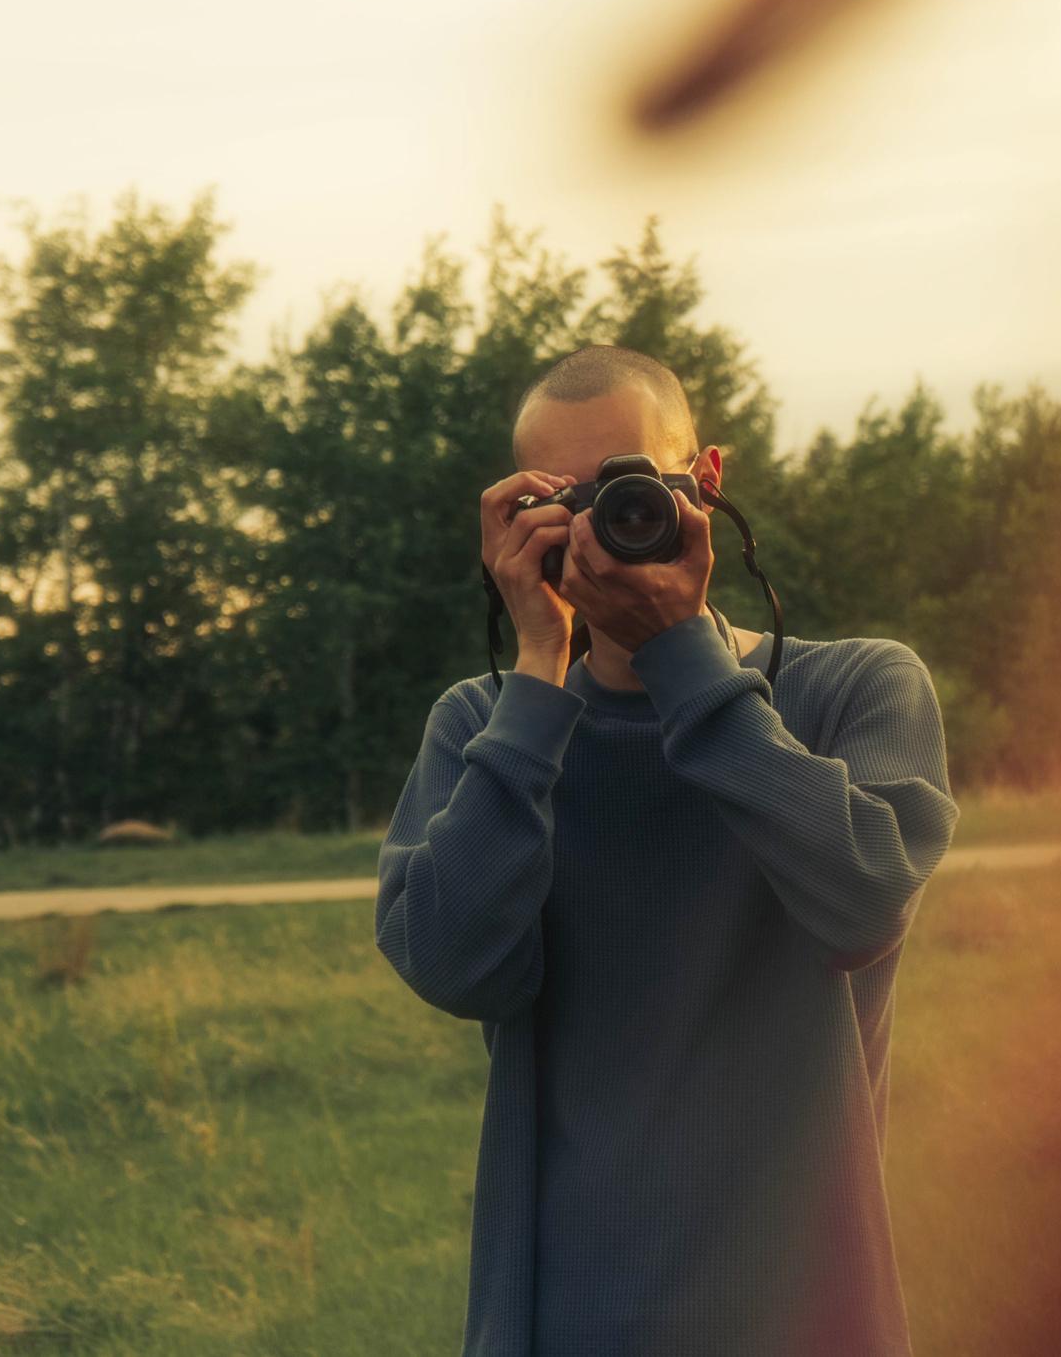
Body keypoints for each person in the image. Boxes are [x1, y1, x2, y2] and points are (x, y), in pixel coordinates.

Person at [375, 343, 957, 1357]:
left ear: (708, 481)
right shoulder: (485, 722)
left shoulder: (855, 691)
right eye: (563, 499)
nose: (602, 523)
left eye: (628, 488)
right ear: (512, 521)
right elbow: (454, 962)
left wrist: (681, 654)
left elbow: (862, 901)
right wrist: (537, 679)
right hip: (560, 1320)